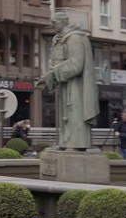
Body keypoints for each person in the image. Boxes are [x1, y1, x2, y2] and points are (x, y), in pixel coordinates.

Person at [36, 12, 97, 150]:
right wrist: (47, 78)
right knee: (65, 116)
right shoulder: (58, 39)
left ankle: (77, 144)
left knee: (75, 113)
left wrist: (52, 75)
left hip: (76, 85)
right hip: (64, 82)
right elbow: (56, 63)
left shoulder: (74, 38)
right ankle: (66, 142)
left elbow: (76, 64)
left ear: (63, 22)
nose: (52, 25)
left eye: (54, 22)